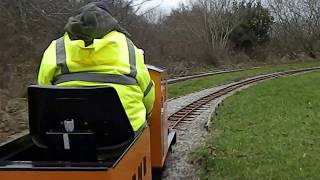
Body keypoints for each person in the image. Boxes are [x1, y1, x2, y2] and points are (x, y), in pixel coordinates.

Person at [37, 1, 155, 132]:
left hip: (70, 133)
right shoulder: (128, 47)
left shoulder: (56, 47)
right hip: (124, 134)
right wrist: (147, 114)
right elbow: (148, 92)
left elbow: (43, 90)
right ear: (110, 21)